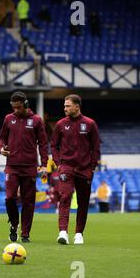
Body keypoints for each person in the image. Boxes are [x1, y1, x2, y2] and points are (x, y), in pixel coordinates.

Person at [0, 91, 49, 243]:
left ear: (25, 105)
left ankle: (25, 233)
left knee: (28, 201)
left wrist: (44, 165)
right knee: (9, 197)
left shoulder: (37, 121)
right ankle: (14, 225)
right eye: (14, 107)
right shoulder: (8, 119)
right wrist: (1, 149)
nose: (16, 110)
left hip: (29, 167)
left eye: (19, 107)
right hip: (12, 166)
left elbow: (43, 143)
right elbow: (2, 138)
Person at [50, 94, 100, 245]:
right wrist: (59, 164)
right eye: (64, 106)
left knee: (83, 202)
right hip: (66, 168)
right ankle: (63, 232)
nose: (64, 108)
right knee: (64, 198)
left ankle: (79, 233)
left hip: (85, 170)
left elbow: (95, 148)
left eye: (67, 106)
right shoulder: (60, 124)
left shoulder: (90, 124)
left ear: (77, 106)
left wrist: (91, 167)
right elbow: (53, 145)